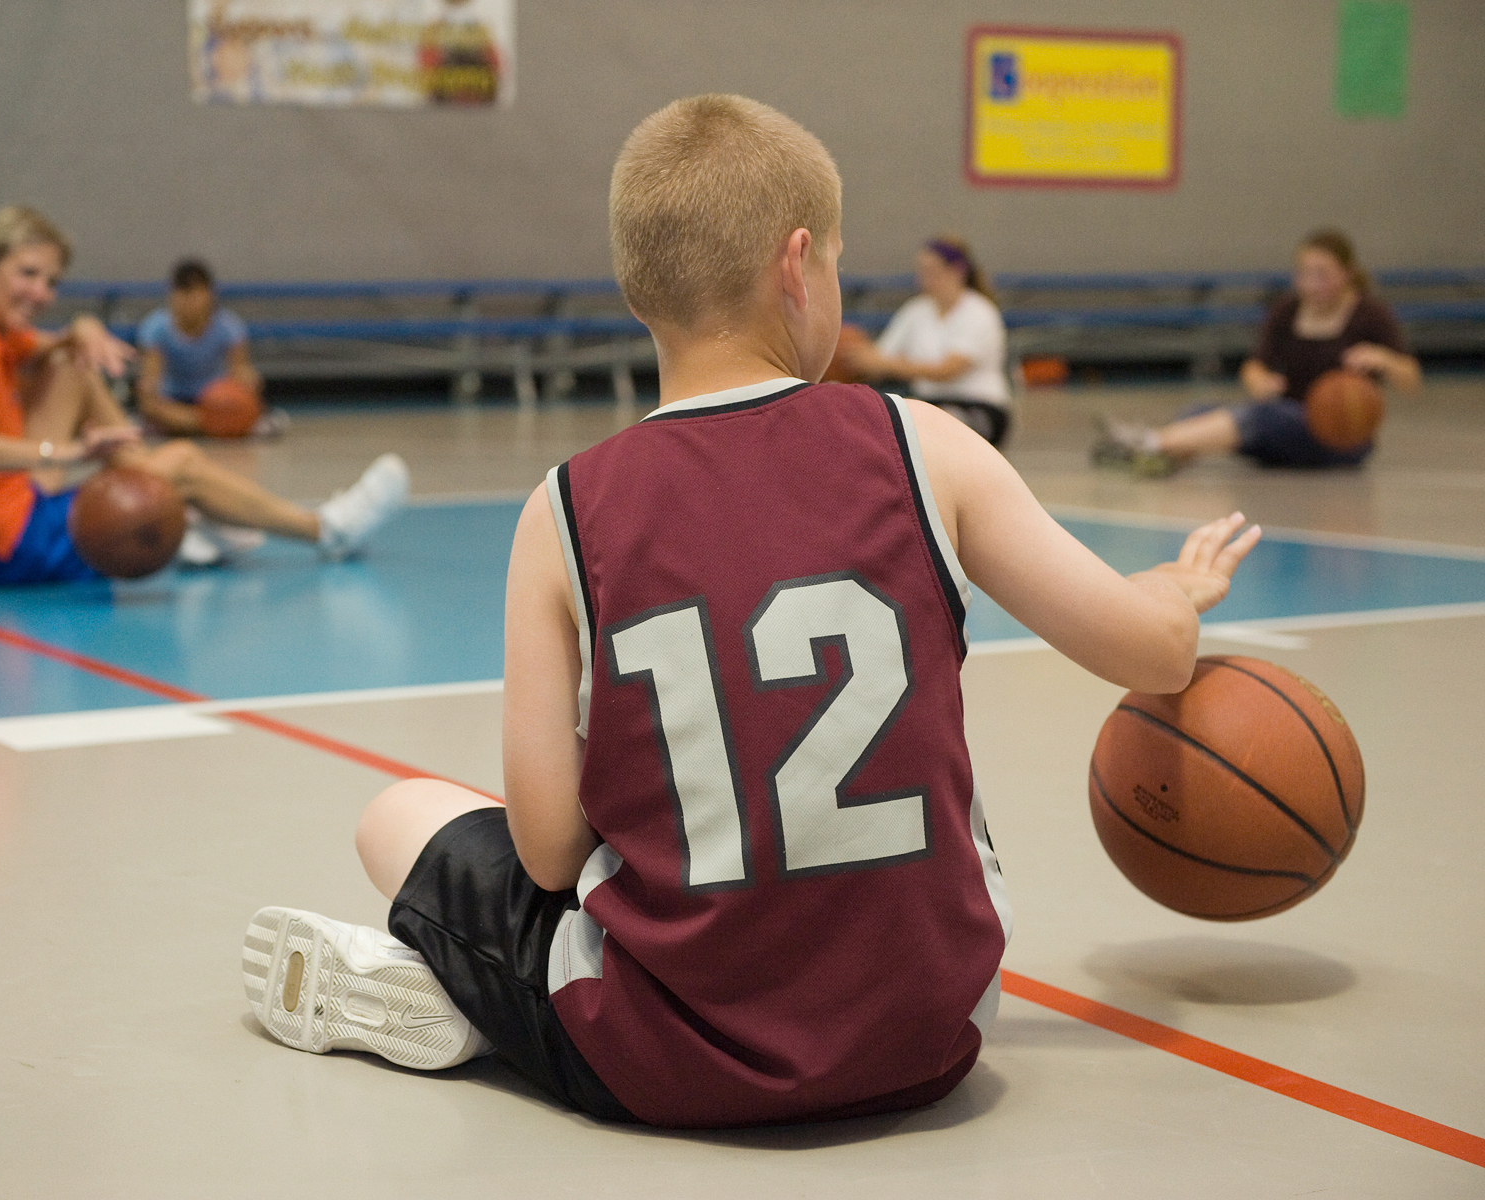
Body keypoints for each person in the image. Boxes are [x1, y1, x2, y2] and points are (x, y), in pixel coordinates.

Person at [240, 95, 1259, 1128]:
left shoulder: (562, 510)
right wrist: (1177, 589)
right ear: (797, 261)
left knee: (398, 815)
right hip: (937, 1031)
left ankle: (474, 1007)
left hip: (667, 1066)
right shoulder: (922, 441)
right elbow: (1156, 654)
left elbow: (548, 854)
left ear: (640, 291)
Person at [0, 205, 406, 585]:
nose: (41, 294)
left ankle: (183, 514)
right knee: (179, 461)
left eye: (51, 282)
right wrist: (59, 453)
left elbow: (51, 349)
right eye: (27, 274)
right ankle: (325, 528)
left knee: (71, 368)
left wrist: (81, 328)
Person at [1094, 228, 1422, 475]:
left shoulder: (1370, 313)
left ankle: (1148, 442)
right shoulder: (1288, 309)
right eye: (1305, 274)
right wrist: (1260, 382)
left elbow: (1411, 380)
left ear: (1347, 273)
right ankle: (1159, 456)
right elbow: (1254, 367)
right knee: (1199, 412)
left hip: (1339, 438)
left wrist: (1383, 358)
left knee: (1267, 417)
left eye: (1322, 274)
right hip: (1282, 426)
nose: (1312, 284)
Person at [831, 235, 1013, 445]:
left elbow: (947, 370)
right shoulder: (916, 310)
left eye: (931, 270)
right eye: (922, 270)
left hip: (978, 405)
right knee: (884, 423)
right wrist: (853, 357)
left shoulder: (980, 311)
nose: (924, 278)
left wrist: (886, 364)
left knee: (941, 426)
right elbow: (879, 358)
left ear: (957, 271)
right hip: (928, 404)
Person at [134, 258, 281, 437]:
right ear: (172, 295)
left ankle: (196, 425)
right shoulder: (155, 327)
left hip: (217, 399)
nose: (189, 300)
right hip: (172, 400)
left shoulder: (229, 325)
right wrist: (148, 390)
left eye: (195, 292)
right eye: (183, 292)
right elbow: (151, 377)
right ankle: (222, 425)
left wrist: (249, 382)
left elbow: (240, 368)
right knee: (150, 406)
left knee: (248, 396)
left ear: (209, 294)